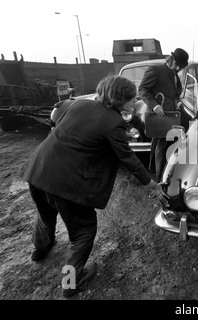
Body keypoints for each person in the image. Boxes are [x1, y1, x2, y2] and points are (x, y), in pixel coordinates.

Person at [19, 75, 169, 298]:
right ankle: (70, 282)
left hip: (38, 172)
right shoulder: (113, 123)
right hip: (65, 184)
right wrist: (153, 186)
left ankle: (39, 251)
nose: (134, 101)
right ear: (118, 98)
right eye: (130, 98)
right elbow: (128, 159)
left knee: (45, 213)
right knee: (83, 233)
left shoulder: (79, 104)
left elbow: (72, 132)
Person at [138, 48, 189, 182]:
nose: (178, 68)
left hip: (171, 115)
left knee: (164, 145)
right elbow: (142, 89)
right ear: (170, 59)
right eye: (176, 64)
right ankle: (161, 179)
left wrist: (177, 102)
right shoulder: (155, 70)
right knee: (161, 146)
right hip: (159, 115)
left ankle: (158, 173)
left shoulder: (174, 74)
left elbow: (174, 94)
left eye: (181, 66)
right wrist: (154, 105)